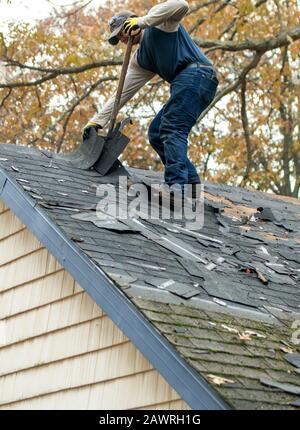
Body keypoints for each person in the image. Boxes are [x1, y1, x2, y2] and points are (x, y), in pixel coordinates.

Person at [83, 0, 219, 197]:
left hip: (198, 75)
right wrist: (98, 121)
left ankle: (176, 189)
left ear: (131, 23)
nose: (121, 38)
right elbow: (121, 93)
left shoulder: (159, 22)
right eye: (117, 37)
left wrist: (143, 21)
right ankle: (190, 185)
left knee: (171, 128)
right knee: (156, 133)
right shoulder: (140, 60)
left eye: (121, 31)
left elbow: (182, 5)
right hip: (187, 84)